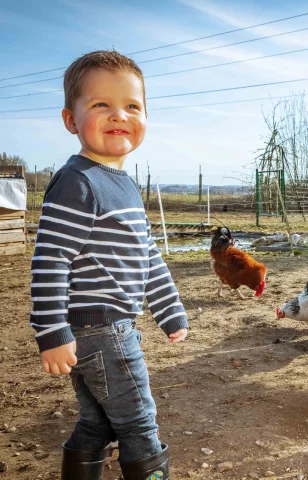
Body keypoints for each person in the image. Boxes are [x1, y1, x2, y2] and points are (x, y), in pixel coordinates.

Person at [29, 50, 188, 480]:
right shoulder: (78, 182)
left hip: (111, 326)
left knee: (98, 422)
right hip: (100, 329)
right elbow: (49, 259)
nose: (119, 114)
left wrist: (169, 309)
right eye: (100, 104)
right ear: (70, 120)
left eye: (131, 106)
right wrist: (51, 332)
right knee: (138, 421)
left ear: (145, 118)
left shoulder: (124, 185)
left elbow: (147, 254)